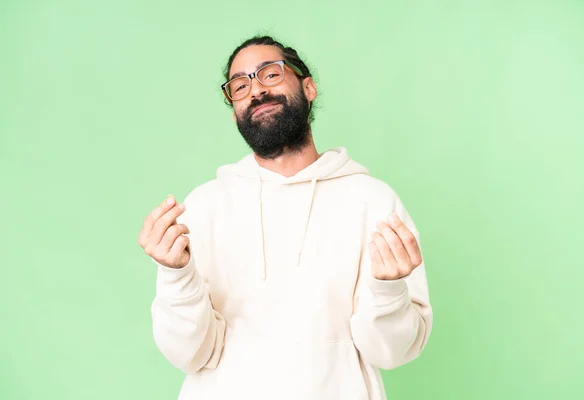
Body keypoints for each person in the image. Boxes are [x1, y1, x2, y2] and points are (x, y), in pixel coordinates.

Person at [138, 35, 433, 400]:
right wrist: (176, 276)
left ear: (308, 87)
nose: (256, 91)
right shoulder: (202, 207)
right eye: (240, 85)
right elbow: (188, 353)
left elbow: (392, 352)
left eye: (270, 74)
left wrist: (388, 291)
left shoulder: (373, 201)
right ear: (235, 110)